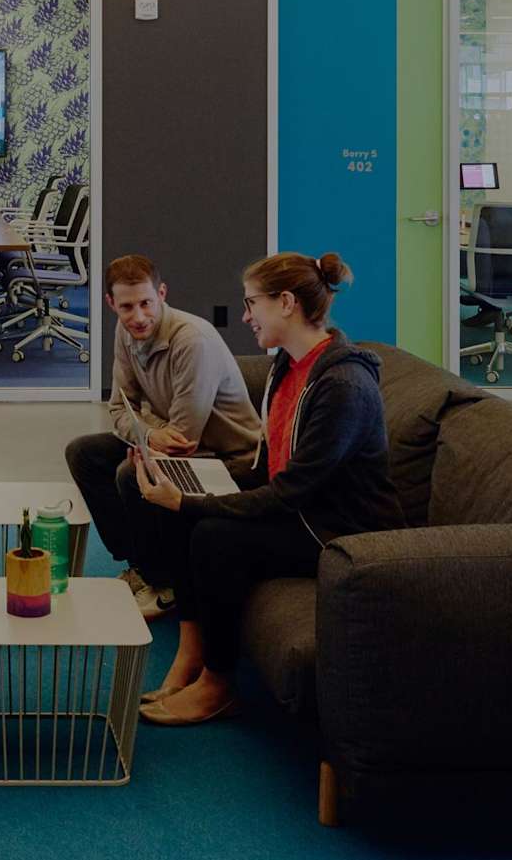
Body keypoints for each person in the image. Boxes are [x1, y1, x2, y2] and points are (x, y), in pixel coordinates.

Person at [128, 251, 402, 727]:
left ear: (287, 303)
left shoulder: (343, 384)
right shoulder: (287, 367)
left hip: (337, 529)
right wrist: (190, 484)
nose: (246, 315)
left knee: (212, 534)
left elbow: (291, 493)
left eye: (253, 303)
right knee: (184, 511)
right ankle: (192, 653)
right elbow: (266, 467)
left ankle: (217, 684)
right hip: (303, 509)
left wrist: (193, 501)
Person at [64, 254, 264, 621]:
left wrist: (146, 436)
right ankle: (141, 566)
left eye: (146, 304)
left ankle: (165, 584)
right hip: (172, 441)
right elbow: (118, 409)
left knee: (132, 472)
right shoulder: (125, 332)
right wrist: (150, 434)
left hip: (231, 460)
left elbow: (184, 438)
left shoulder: (192, 340)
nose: (138, 317)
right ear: (111, 303)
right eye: (126, 307)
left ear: (162, 293)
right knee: (83, 453)